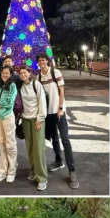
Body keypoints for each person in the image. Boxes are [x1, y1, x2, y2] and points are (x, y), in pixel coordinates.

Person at [37, 54, 78, 189]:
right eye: (39, 61)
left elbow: (61, 91)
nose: (41, 62)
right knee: (54, 138)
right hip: (48, 113)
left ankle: (72, 171)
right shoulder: (39, 77)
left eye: (43, 60)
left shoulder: (56, 72)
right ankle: (58, 160)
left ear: (47, 61)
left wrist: (60, 108)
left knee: (65, 140)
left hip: (59, 111)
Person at [18, 67, 48, 190]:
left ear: (30, 73)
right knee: (29, 147)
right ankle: (33, 170)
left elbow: (42, 101)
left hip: (36, 119)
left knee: (39, 148)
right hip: (25, 120)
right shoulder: (20, 86)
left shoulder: (36, 84)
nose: (23, 75)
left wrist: (40, 119)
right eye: (21, 73)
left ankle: (42, 178)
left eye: (25, 72)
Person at [0, 66, 18, 183]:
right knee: (1, 144)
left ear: (11, 74)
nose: (5, 75)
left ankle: (11, 171)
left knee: (10, 144)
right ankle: (2, 171)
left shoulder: (12, 86)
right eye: (3, 73)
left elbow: (10, 102)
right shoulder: (1, 85)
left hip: (8, 117)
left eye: (7, 73)